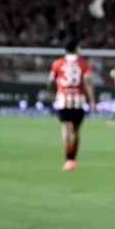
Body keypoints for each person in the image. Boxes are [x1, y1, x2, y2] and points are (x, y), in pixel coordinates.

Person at [46, 39, 95, 172]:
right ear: (76, 49)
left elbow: (51, 81)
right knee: (75, 130)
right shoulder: (83, 64)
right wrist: (92, 100)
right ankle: (73, 159)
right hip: (78, 101)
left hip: (63, 100)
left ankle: (68, 159)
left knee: (65, 128)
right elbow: (87, 82)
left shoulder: (57, 63)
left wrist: (50, 93)